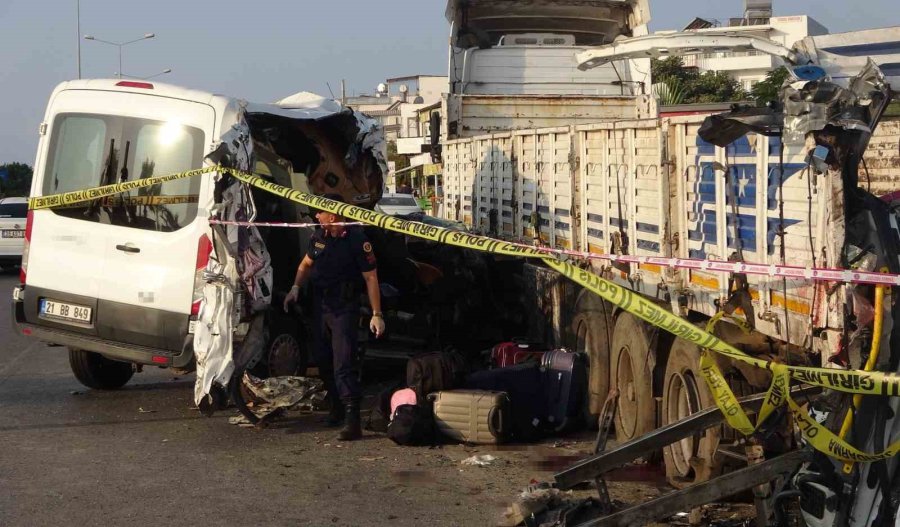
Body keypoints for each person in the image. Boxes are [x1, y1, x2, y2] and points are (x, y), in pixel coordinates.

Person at [284, 193, 385, 441]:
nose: (316, 217)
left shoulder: (357, 239)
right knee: (323, 360)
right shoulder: (319, 237)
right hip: (321, 306)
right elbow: (305, 264)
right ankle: (336, 408)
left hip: (343, 308)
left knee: (344, 364)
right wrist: (295, 288)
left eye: (320, 212)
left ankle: (353, 420)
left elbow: (371, 277)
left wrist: (376, 314)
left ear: (334, 213)